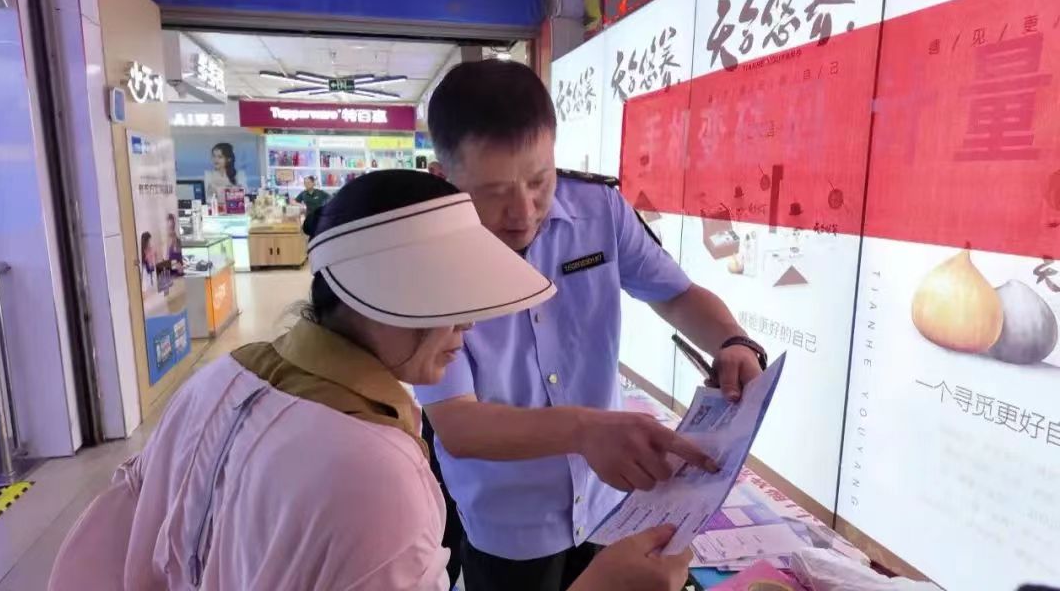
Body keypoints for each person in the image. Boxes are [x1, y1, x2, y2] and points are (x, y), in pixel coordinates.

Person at [48, 170, 695, 591]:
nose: (470, 323)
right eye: (452, 300)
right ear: (381, 299)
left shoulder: (222, 378)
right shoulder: (376, 470)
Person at [416, 60, 769, 591]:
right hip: (510, 522)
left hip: (609, 504)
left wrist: (732, 340)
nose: (523, 211)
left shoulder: (599, 209)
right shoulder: (428, 262)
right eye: (493, 192)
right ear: (444, 179)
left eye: (540, 180)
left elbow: (675, 294)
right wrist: (584, 431)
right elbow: (458, 425)